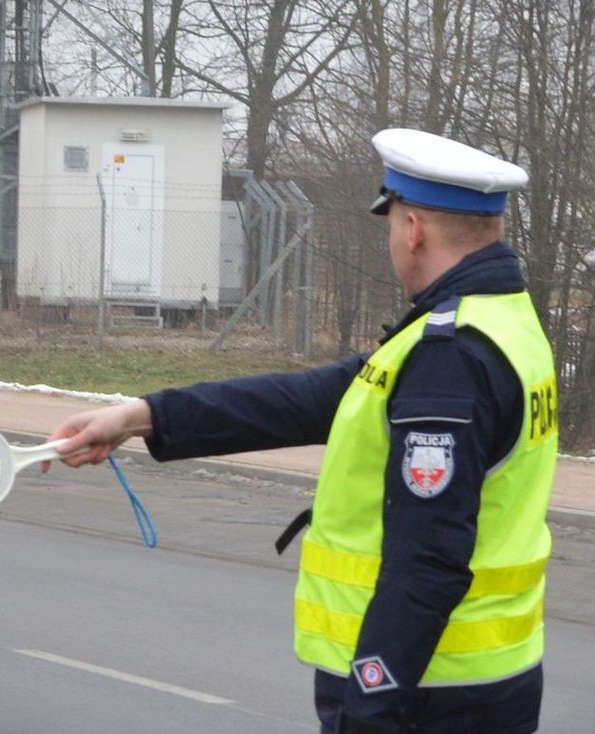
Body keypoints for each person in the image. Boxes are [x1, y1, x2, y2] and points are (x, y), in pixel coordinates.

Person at [43, 128, 559, 734]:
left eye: (392, 222)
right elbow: (304, 400)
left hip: (423, 695)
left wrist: (371, 701)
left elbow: (428, 561)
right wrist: (140, 416)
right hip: (484, 682)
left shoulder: (449, 356)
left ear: (413, 229)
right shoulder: (503, 321)